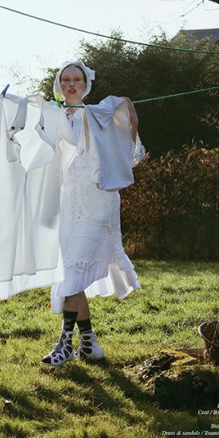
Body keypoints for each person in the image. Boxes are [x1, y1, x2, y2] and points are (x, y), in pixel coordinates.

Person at [41, 60, 144, 367]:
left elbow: (131, 157)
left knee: (73, 274)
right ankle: (89, 344)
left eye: (77, 79)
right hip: (69, 205)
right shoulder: (52, 117)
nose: (72, 84)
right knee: (73, 271)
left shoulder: (101, 117)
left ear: (86, 85)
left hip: (99, 204)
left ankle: (65, 344)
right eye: (66, 79)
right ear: (59, 85)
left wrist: (132, 123)